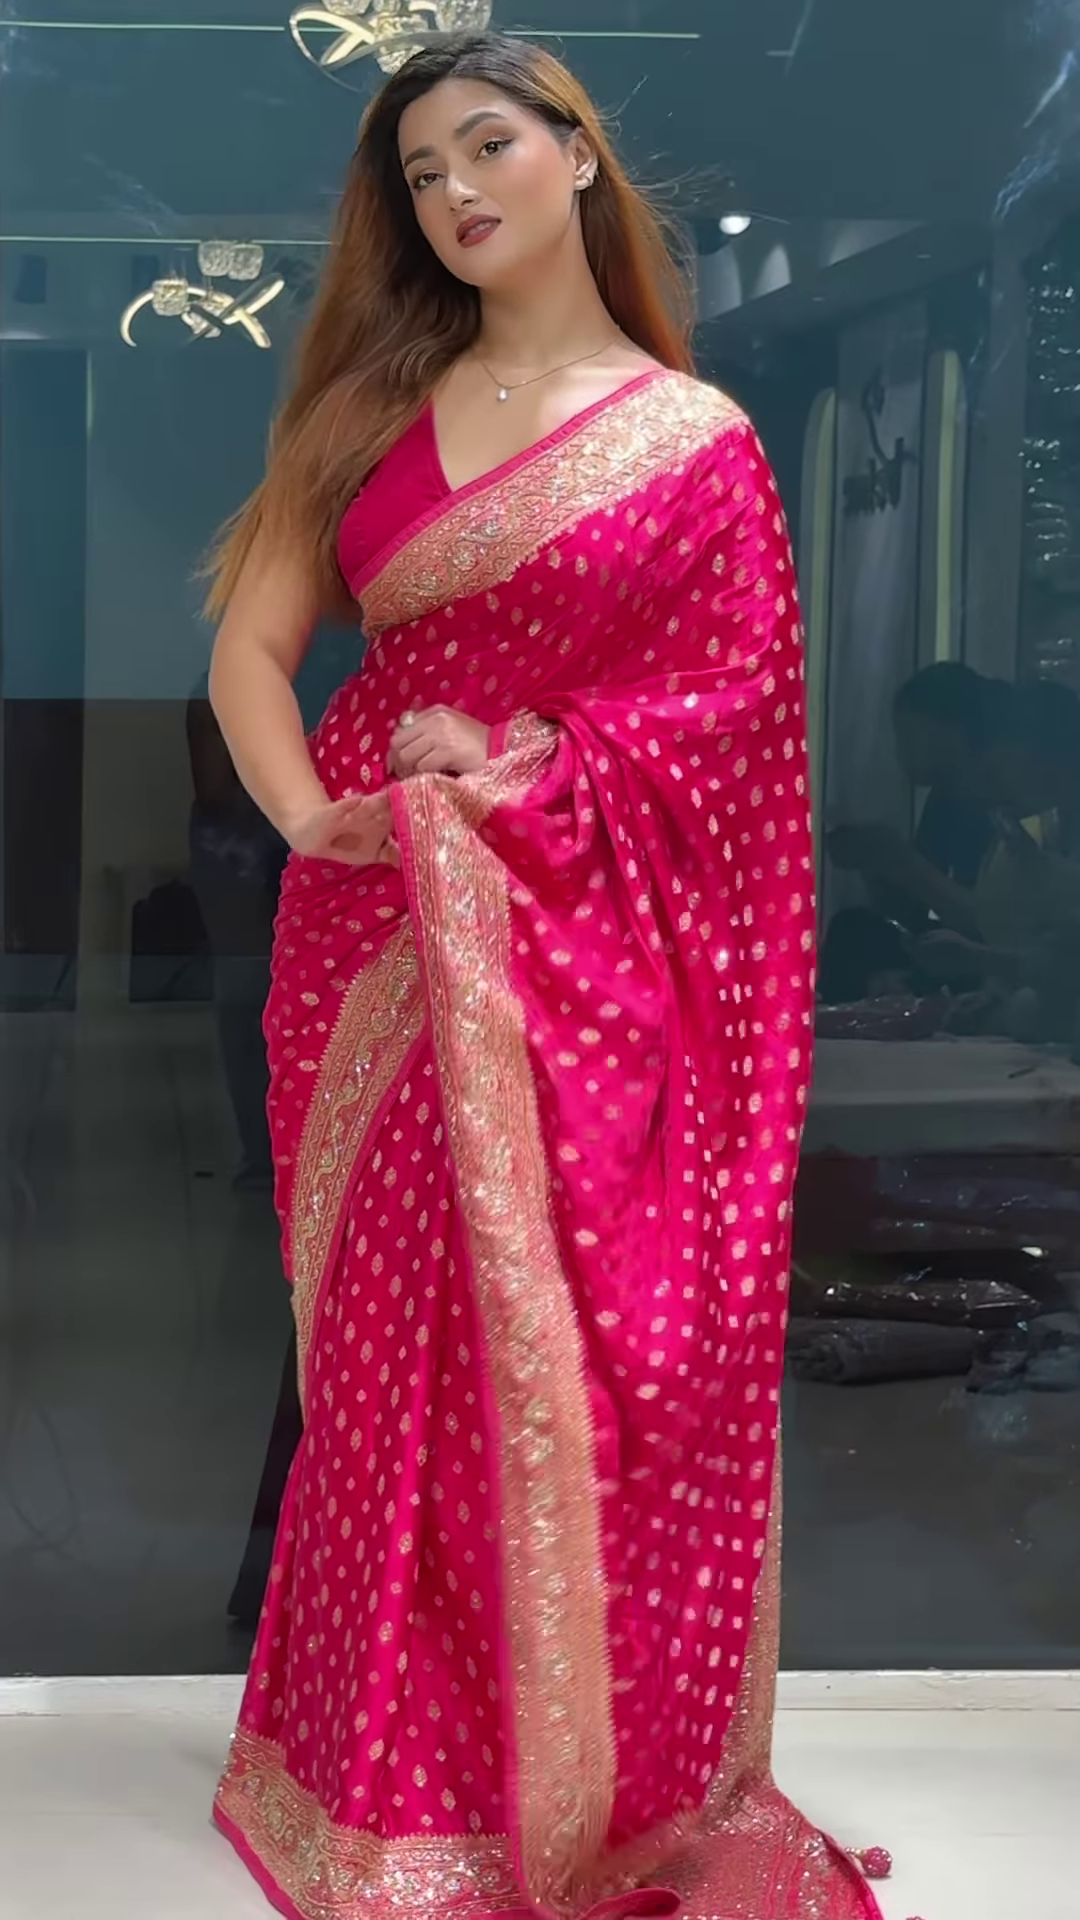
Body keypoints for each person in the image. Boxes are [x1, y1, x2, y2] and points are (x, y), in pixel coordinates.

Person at [204, 33, 886, 1920]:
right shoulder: (365, 410)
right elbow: (254, 650)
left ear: (578, 154)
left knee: (573, 1370)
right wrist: (311, 816)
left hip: (578, 967)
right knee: (387, 1371)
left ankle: (569, 1784)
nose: (454, 193)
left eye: (486, 146)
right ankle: (381, 1783)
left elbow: (729, 737)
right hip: (379, 949)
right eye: (420, 173)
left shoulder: (693, 444)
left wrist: (518, 769)